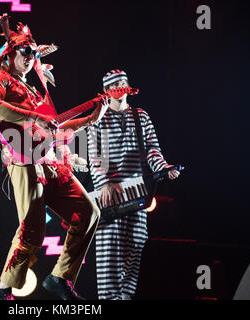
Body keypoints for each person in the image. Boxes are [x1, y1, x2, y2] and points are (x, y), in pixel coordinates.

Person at [0, 14, 108, 300]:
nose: (31, 56)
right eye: (26, 51)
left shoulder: (35, 92)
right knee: (31, 231)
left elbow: (55, 128)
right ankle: (3, 291)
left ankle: (60, 278)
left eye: (34, 53)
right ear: (11, 53)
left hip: (49, 161)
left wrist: (90, 118)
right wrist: (34, 117)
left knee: (88, 213)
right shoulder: (1, 79)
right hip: (23, 161)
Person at [86, 69, 180, 300]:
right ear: (107, 90)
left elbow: (152, 150)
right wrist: (105, 183)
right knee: (109, 262)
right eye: (115, 83)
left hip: (137, 194)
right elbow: (96, 157)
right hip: (109, 197)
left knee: (134, 255)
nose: (120, 86)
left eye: (123, 82)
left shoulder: (141, 116)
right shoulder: (100, 117)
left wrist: (164, 168)